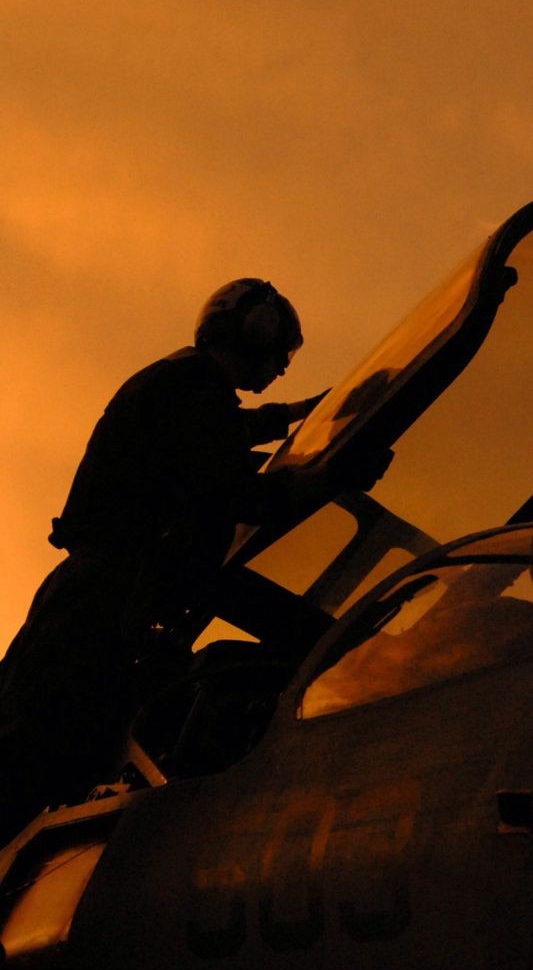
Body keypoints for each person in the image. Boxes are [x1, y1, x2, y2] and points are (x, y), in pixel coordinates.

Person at [0, 279, 331, 842]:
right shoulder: (189, 387)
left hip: (102, 600)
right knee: (33, 762)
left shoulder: (183, 387)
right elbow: (222, 487)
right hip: (101, 609)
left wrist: (289, 417)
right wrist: (318, 481)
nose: (280, 369)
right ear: (253, 329)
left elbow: (219, 440)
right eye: (280, 351)